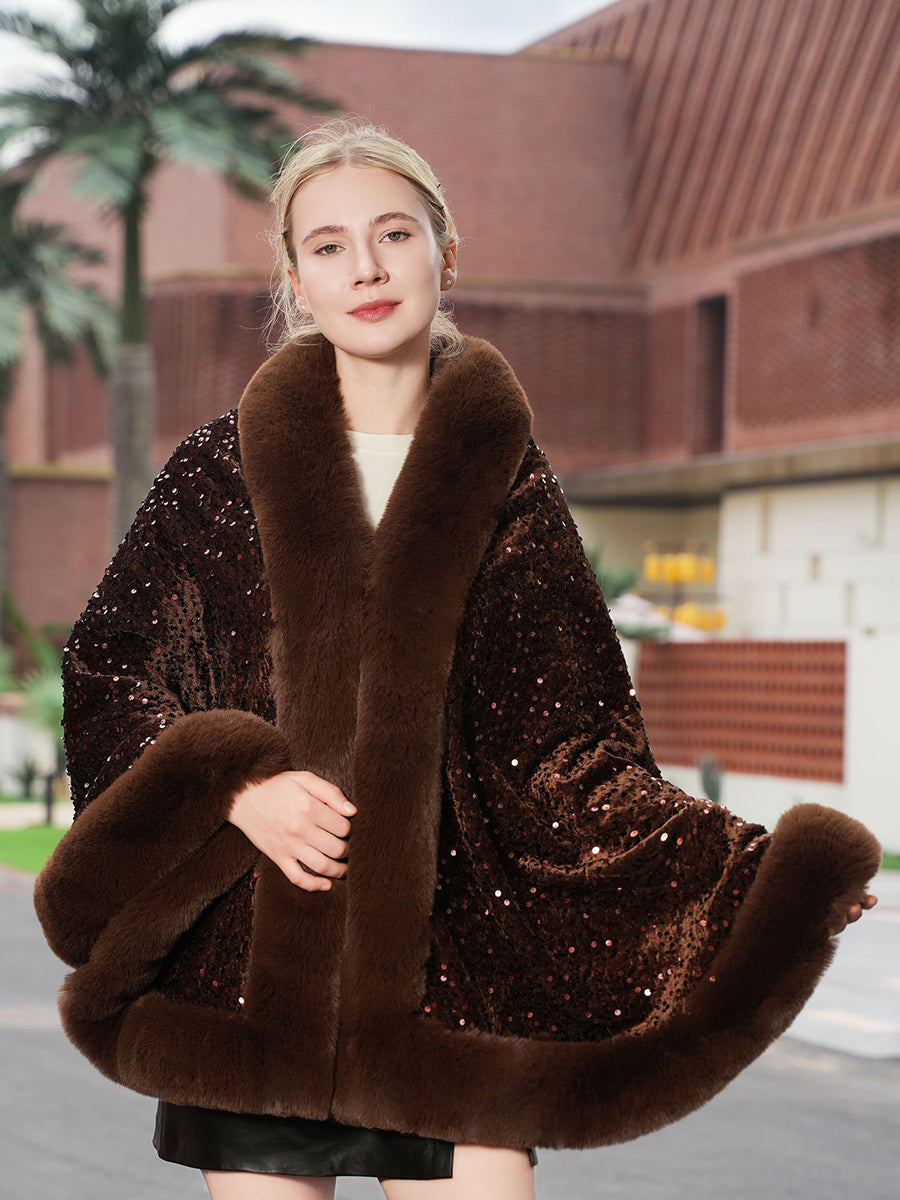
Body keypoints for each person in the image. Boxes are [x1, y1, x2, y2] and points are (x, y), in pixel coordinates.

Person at [33, 117, 879, 1200]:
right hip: (249, 989)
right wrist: (233, 784)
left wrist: (761, 882)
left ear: (444, 252)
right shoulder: (217, 471)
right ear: (295, 279)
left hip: (458, 989)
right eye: (329, 245)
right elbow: (109, 671)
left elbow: (576, 748)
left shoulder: (512, 483)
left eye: (394, 234)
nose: (367, 267)